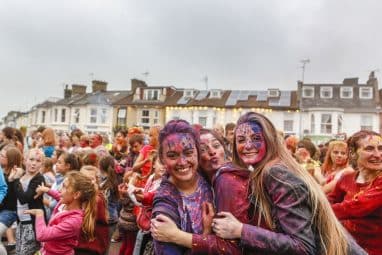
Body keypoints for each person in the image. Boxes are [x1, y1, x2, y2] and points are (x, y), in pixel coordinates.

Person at [210, 112, 365, 255]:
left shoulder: (276, 173)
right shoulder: (270, 169)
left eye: (256, 139)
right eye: (241, 140)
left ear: (269, 140)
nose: (248, 145)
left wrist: (240, 230)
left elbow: (302, 246)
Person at [151, 128, 250, 254]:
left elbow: (232, 248)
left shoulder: (226, 181)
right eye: (203, 149)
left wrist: (177, 236)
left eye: (216, 145)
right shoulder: (204, 181)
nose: (212, 152)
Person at [151, 120, 213, 254]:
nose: (182, 162)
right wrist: (206, 234)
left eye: (188, 152)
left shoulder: (208, 175)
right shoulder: (165, 205)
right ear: (162, 159)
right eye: (172, 155)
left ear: (197, 151)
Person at [328, 130, 382, 255]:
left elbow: (358, 207)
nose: (378, 154)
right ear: (352, 154)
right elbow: (330, 199)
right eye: (369, 149)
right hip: (345, 248)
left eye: (380, 148)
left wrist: (320, 211)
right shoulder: (346, 179)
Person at [26, 171, 97, 255]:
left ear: (76, 194)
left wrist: (39, 214)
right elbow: (58, 196)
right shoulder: (64, 203)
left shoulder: (74, 221)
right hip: (47, 251)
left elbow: (42, 235)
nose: (60, 189)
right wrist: (47, 190)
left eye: (64, 187)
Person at [14, 148, 46, 255]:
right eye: (31, 159)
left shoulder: (39, 179)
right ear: (24, 160)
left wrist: (15, 180)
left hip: (32, 223)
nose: (34, 163)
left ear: (42, 164)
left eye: (38, 161)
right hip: (21, 222)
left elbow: (24, 199)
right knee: (19, 251)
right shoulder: (22, 177)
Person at [0, 144, 23, 255]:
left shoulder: (17, 174)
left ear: (10, 160)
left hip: (9, 211)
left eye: (2, 156)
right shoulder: (2, 172)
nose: (0, 157)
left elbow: (13, 198)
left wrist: (12, 180)